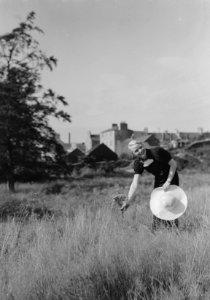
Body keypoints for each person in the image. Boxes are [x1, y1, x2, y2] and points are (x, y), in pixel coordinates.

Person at [121, 140, 179, 231]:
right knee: (156, 204)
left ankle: (173, 229)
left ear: (143, 145)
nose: (140, 151)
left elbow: (173, 164)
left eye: (140, 148)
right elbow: (134, 183)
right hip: (159, 179)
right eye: (136, 151)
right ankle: (156, 229)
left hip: (171, 177)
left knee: (168, 202)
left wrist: (168, 181)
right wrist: (129, 200)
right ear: (133, 153)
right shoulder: (138, 163)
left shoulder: (157, 152)